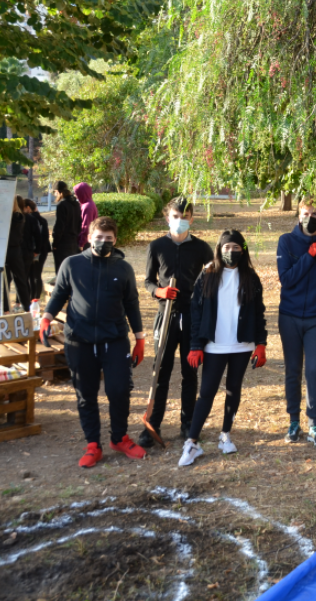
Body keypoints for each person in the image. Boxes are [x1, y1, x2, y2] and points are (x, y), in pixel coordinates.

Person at [40, 216, 147, 468]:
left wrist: (139, 338)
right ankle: (92, 445)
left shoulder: (123, 268)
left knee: (119, 390)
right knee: (86, 395)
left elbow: (132, 303)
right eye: (98, 238)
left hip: (115, 339)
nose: (103, 242)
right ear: (89, 238)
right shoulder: (72, 264)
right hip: (80, 340)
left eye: (108, 239)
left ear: (115, 240)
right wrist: (46, 317)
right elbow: (59, 294)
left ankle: (119, 438)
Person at [180, 230, 267, 466]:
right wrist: (196, 345)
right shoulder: (207, 275)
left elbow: (259, 312)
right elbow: (195, 312)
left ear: (243, 250)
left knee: (233, 389)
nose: (231, 251)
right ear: (219, 249)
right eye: (226, 247)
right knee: (207, 391)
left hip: (242, 344)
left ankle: (225, 435)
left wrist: (261, 344)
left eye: (236, 247)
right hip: (214, 344)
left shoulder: (251, 277)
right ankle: (192, 442)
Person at [138, 196, 214, 447]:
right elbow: (148, 280)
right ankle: (153, 425)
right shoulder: (156, 247)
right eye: (176, 216)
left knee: (190, 373)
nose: (180, 221)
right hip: (166, 315)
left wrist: (206, 284)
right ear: (167, 217)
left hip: (191, 317)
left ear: (192, 218)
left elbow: (212, 276)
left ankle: (188, 424)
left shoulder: (201, 248)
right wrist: (158, 292)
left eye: (185, 216)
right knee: (161, 372)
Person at [275, 198, 316, 447]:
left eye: (315, 213)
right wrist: (309, 256)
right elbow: (286, 279)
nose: (310, 217)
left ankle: (314, 423)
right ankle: (293, 421)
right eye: (306, 213)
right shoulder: (287, 241)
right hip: (289, 316)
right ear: (298, 215)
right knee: (293, 370)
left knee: (314, 369)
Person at [51, 181, 82, 274]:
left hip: (63, 244)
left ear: (58, 191)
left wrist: (55, 243)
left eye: (54, 192)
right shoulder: (76, 204)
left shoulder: (62, 205)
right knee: (72, 271)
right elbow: (79, 223)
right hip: (74, 241)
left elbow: (60, 226)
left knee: (62, 272)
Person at [24, 198, 50, 301]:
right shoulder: (42, 219)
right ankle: (37, 298)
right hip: (43, 250)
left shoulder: (28, 219)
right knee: (37, 275)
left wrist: (36, 250)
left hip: (34, 250)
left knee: (30, 275)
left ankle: (31, 298)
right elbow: (45, 236)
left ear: (28, 208)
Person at [16, 194, 39, 308]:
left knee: (20, 278)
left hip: (19, 252)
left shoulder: (15, 218)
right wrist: (37, 250)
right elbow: (37, 235)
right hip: (28, 252)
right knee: (24, 278)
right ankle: (25, 303)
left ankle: (21, 303)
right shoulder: (31, 218)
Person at [74, 182, 98, 250]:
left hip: (85, 242)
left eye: (77, 193)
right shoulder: (88, 204)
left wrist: (81, 243)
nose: (75, 195)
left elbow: (86, 226)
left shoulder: (87, 206)